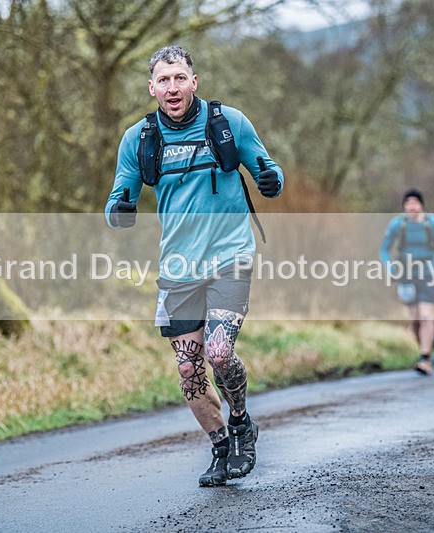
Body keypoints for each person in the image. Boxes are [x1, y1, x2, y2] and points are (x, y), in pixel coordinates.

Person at [104, 46, 283, 487]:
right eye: (163, 81)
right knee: (189, 368)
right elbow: (115, 203)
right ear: (151, 88)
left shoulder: (228, 122)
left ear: (194, 81)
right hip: (179, 266)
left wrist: (270, 180)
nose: (172, 87)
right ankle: (221, 446)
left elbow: (269, 171)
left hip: (230, 255)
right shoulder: (139, 138)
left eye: (179, 78)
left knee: (220, 352)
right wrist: (122, 209)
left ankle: (241, 424)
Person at [380, 189, 434, 375]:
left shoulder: (433, 223)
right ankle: (426, 353)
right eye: (408, 203)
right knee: (415, 320)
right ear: (404, 206)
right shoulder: (397, 225)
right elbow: (384, 250)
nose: (411, 206)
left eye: (415, 202)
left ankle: (425, 358)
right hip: (407, 273)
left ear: (421, 205)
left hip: (430, 271)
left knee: (426, 314)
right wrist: (391, 268)